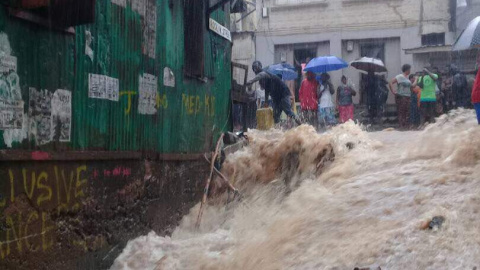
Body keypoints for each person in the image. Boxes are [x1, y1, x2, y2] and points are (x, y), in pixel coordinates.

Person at [389, 64, 413, 130]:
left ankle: (406, 126)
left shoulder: (407, 78)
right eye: (409, 69)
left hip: (408, 96)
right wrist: (393, 91)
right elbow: (390, 82)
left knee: (407, 112)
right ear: (407, 69)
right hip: (401, 96)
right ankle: (401, 126)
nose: (410, 71)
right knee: (401, 111)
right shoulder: (400, 76)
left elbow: (412, 86)